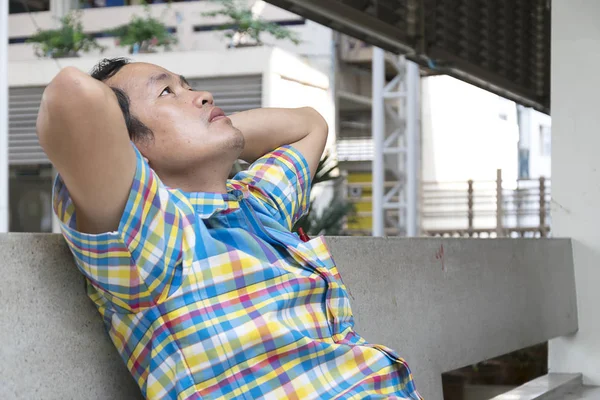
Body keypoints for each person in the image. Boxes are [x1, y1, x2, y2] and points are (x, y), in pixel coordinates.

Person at [37, 57, 421, 400]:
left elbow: (309, 125)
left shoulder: (254, 204)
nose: (203, 95)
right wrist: (190, 133)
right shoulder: (154, 233)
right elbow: (73, 94)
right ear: (129, 148)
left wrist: (216, 129)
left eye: (189, 85)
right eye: (167, 91)